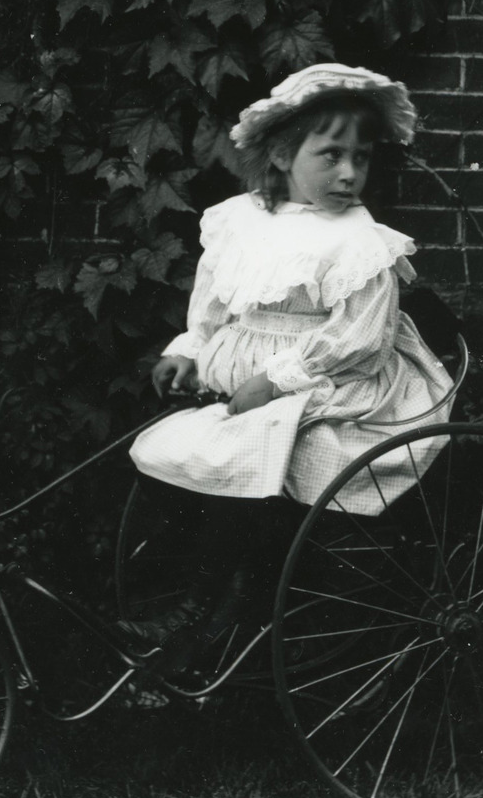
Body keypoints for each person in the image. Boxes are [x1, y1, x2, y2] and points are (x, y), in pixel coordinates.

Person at [126, 63, 455, 660]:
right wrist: (190, 350)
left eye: (361, 157)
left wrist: (275, 380)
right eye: (330, 155)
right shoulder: (241, 220)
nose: (350, 173)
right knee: (186, 457)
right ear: (281, 154)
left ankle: (215, 614)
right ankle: (218, 596)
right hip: (245, 393)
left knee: (251, 457)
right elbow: (216, 301)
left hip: (335, 388)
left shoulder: (359, 243)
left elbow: (359, 340)